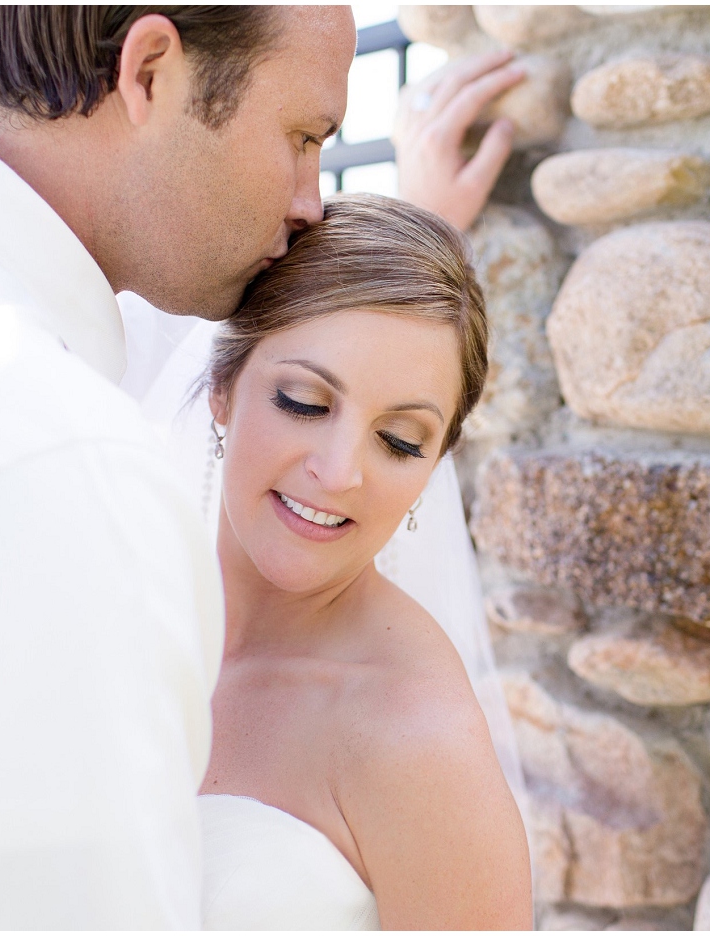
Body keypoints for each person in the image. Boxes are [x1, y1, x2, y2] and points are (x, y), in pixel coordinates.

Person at [0, 1, 527, 926]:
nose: (310, 197)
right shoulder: (51, 461)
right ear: (150, 69)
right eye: (304, 134)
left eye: (404, 442)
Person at [195, 193, 530, 930]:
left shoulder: (419, 741)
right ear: (222, 386)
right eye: (304, 402)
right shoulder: (111, 613)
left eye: (401, 442)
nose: (341, 471)